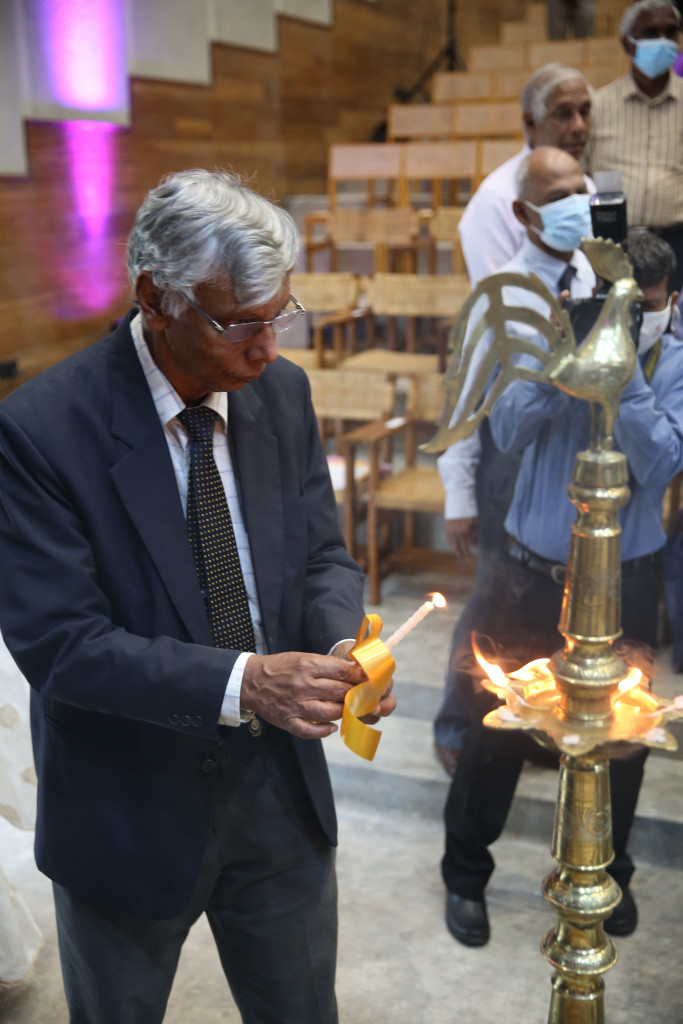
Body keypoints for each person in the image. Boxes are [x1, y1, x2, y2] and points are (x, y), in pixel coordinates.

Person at [0, 168, 395, 1024]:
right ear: (155, 297)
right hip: (126, 798)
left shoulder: (279, 394)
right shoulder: (41, 430)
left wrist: (337, 649)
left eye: (280, 316)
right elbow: (61, 644)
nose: (266, 349)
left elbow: (322, 554)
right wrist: (245, 683)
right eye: (239, 325)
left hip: (277, 791)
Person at [442, 220, 683, 948]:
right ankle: (464, 875)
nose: (628, 319)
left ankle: (608, 875)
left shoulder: (672, 360)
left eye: (641, 307)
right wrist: (566, 360)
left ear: (668, 299)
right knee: (497, 735)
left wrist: (624, 370)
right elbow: (505, 433)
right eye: (615, 305)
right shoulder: (549, 339)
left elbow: (662, 463)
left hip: (625, 582)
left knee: (622, 739)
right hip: (529, 579)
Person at [435, 100, 594, 772]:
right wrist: (459, 495)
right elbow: (462, 405)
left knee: (556, 608)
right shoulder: (499, 292)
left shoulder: (593, 276)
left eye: (581, 192)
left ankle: (532, 729)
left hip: (568, 473)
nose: (576, 205)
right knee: (494, 603)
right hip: (506, 470)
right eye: (558, 197)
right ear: (526, 214)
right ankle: (457, 729)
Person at [458, 63, 593, 288]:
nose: (579, 126)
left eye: (585, 112)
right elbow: (495, 298)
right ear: (531, 122)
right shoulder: (496, 198)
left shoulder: (587, 186)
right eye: (563, 114)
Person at [584, 0, 683, 290]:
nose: (663, 41)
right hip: (614, 245)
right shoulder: (597, 107)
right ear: (628, 45)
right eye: (651, 33)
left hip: (677, 243)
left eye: (670, 32)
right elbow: (581, 176)